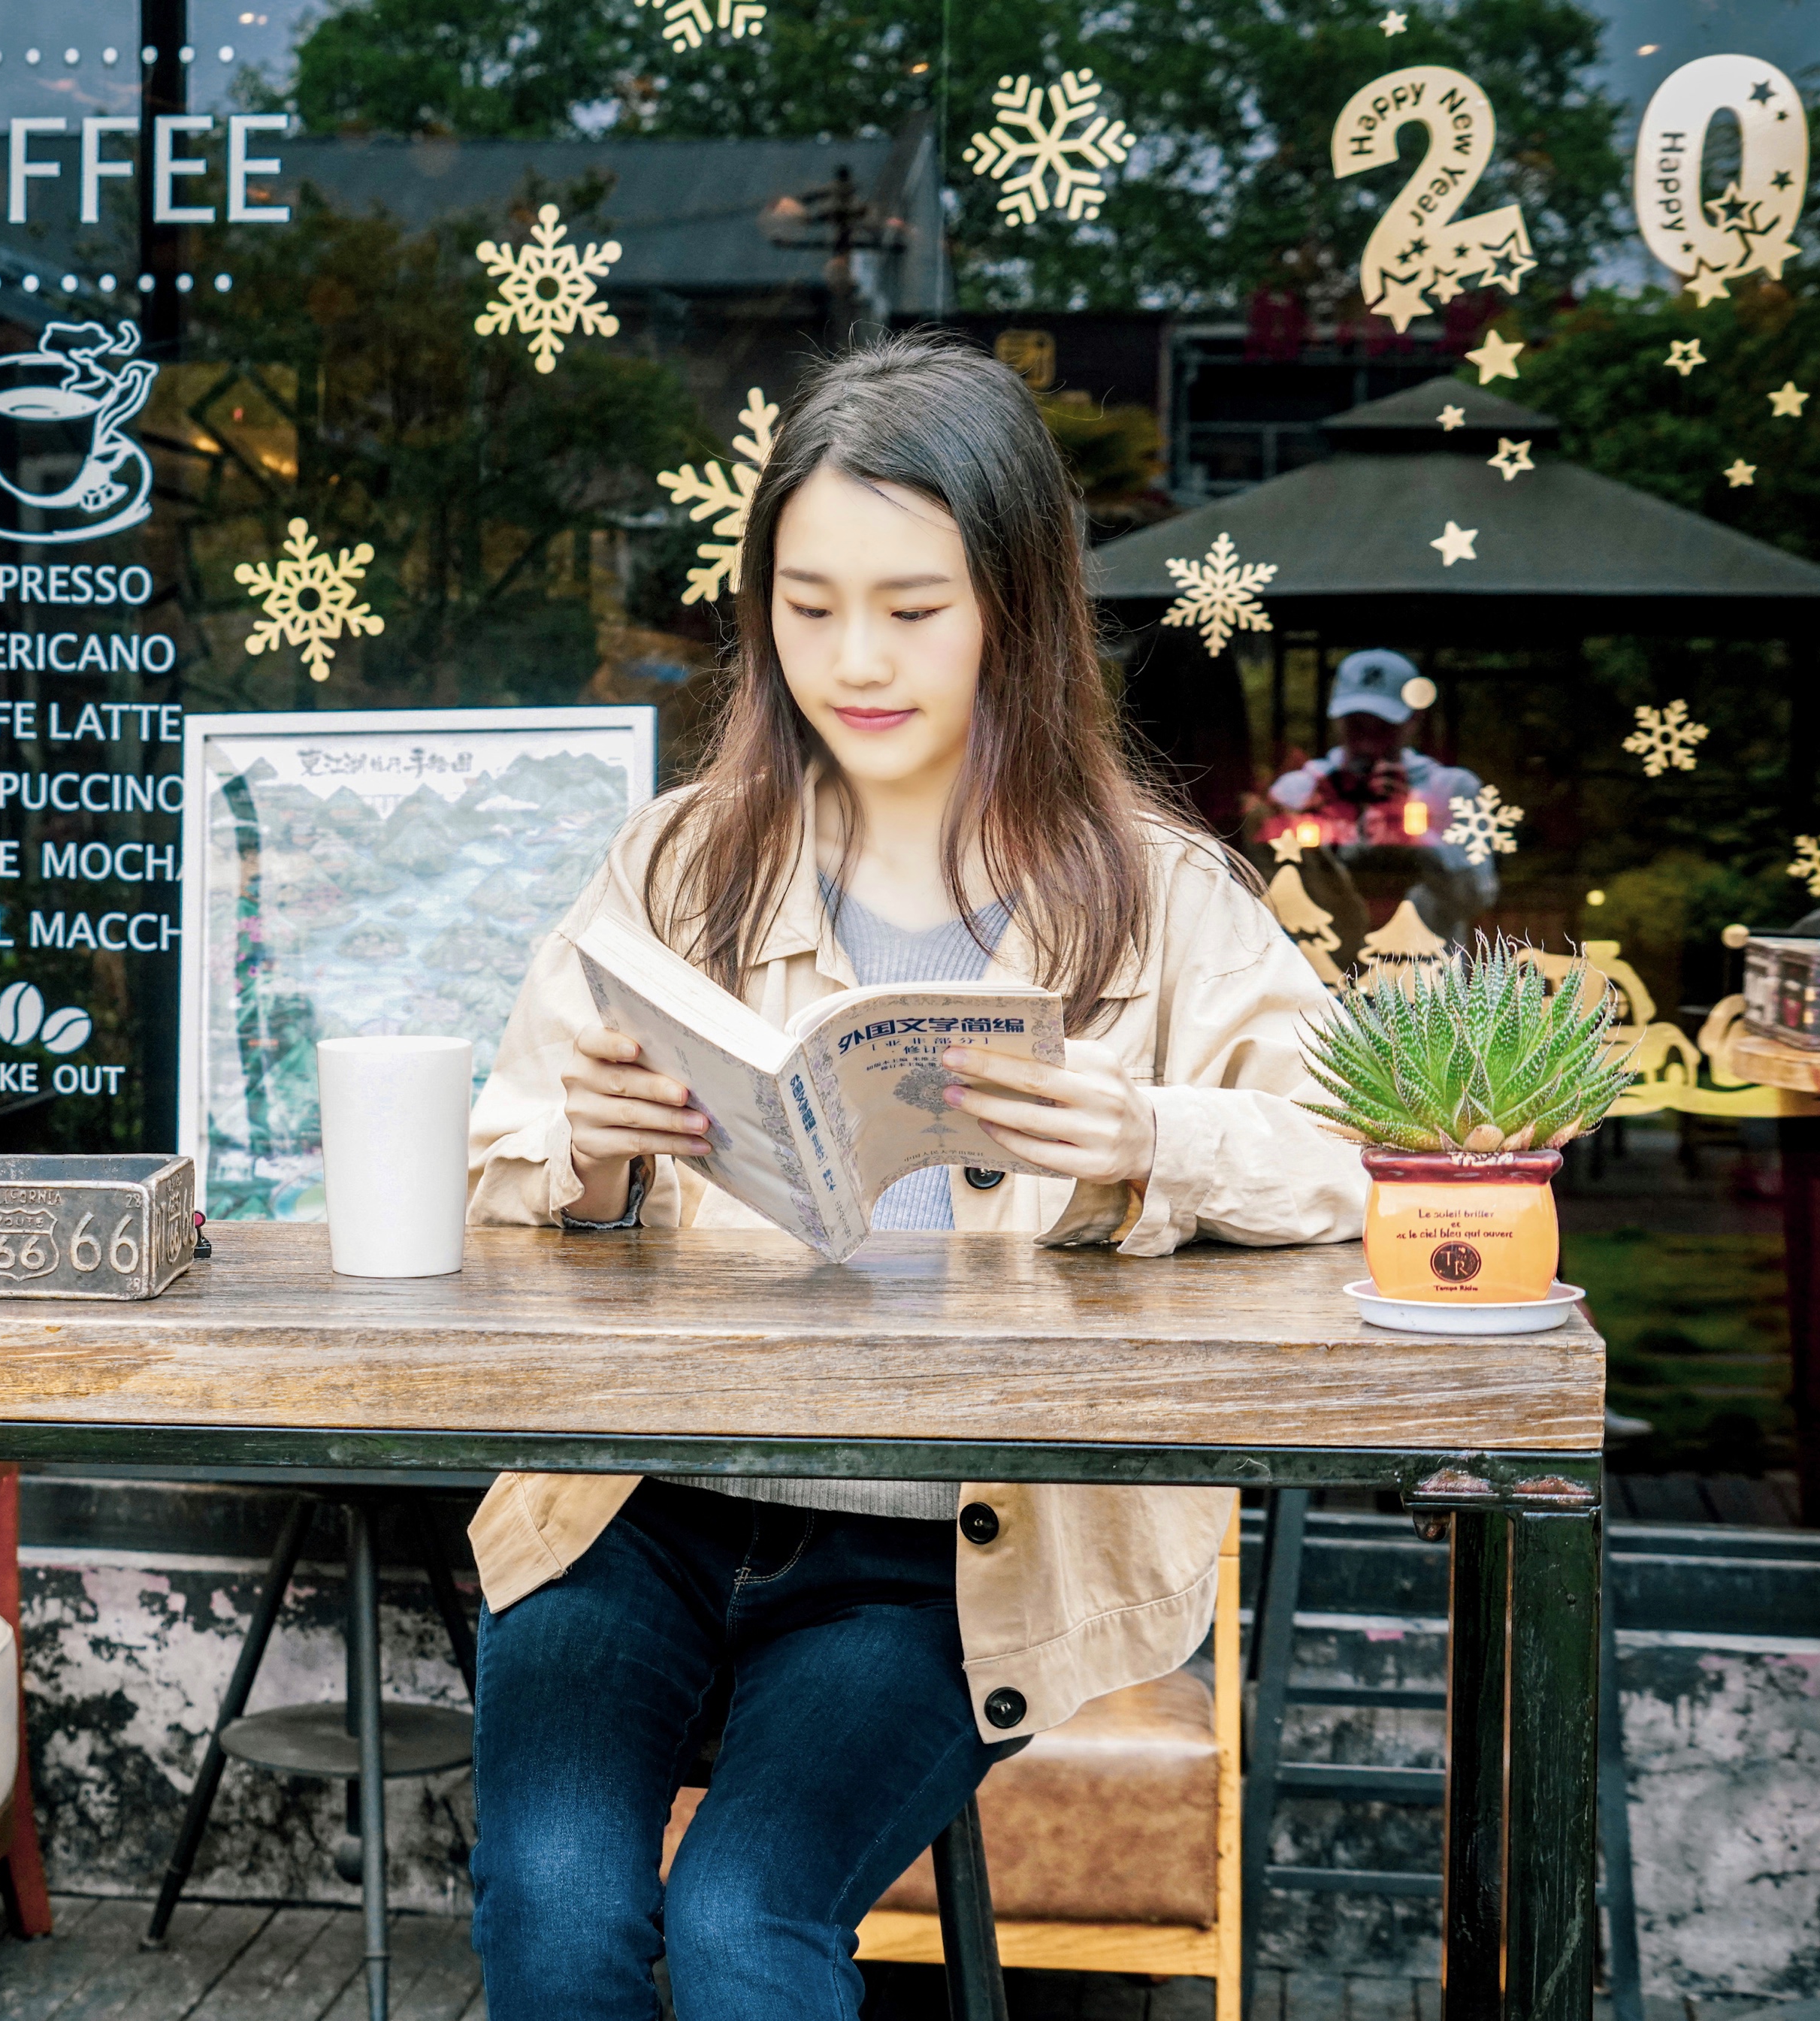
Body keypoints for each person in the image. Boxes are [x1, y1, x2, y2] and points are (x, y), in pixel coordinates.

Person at [459, 331, 1366, 2019]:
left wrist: (1146, 1139)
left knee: (742, 1923)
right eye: (808, 607)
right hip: (637, 1501)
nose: (853, 657)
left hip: (946, 1540)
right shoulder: (673, 861)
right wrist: (583, 1156)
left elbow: (1352, 1152)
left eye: (911, 605)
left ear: (1012, 605)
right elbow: (498, 1166)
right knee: (561, 1907)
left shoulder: (1156, 897)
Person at [1262, 648, 1499, 949]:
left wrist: (1413, 832)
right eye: (1356, 722)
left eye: (1383, 724)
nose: (1368, 736)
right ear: (1336, 717)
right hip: (1322, 976)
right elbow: (1270, 894)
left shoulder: (1452, 791)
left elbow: (1477, 898)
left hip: (1426, 977)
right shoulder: (1296, 792)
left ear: (1413, 720)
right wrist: (1324, 818)